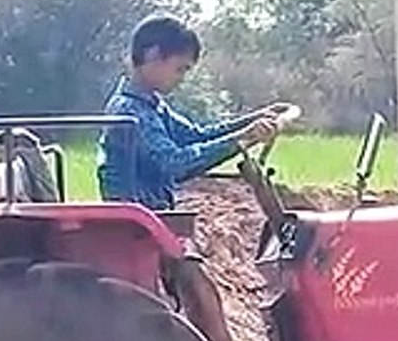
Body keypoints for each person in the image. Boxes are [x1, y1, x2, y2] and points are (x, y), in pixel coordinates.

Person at [96, 15, 290, 211]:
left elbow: (196, 135)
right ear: (153, 55)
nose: (182, 78)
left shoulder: (151, 106)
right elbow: (175, 164)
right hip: (138, 222)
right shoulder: (130, 112)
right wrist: (242, 139)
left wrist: (253, 120)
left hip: (152, 212)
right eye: (180, 69)